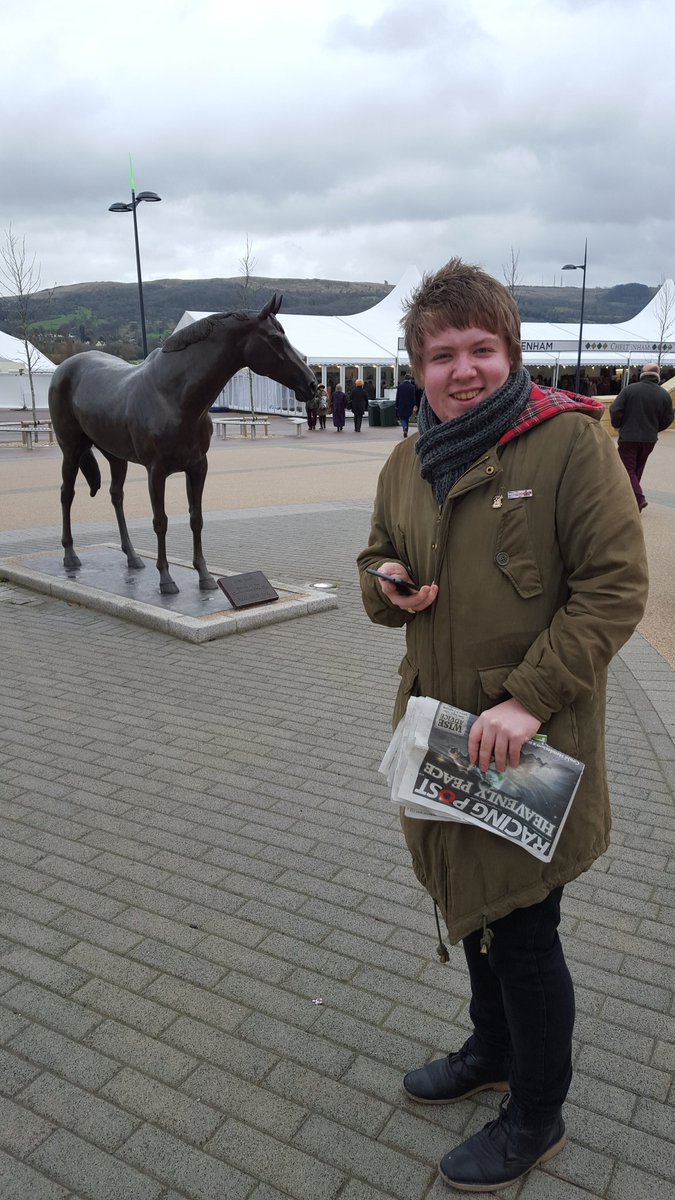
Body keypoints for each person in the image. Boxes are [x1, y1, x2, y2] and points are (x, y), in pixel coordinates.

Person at [357, 259, 648, 1193]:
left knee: (524, 931)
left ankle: (537, 1111)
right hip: (443, 739)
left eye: (482, 348)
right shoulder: (407, 460)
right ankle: (489, 1050)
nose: (463, 369)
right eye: (442, 354)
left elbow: (614, 590)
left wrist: (526, 697)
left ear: (510, 352)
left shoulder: (568, 442)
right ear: (418, 367)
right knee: (471, 911)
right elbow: (375, 558)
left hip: (530, 742)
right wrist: (386, 586)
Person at [610, 363, 673, 511]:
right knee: (637, 468)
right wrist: (655, 429)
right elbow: (668, 418)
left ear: (642, 374)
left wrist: (618, 425)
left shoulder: (629, 390)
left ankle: (638, 498)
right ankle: (630, 501)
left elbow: (616, 409)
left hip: (629, 437)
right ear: (657, 375)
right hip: (649, 439)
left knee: (626, 469)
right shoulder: (664, 395)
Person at [395, 371, 418, 437]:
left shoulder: (400, 386)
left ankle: (404, 427)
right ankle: (406, 431)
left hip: (401, 404)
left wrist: (396, 404)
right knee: (407, 418)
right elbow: (413, 397)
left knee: (401, 417)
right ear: (410, 379)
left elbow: (397, 396)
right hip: (409, 405)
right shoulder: (412, 387)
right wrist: (414, 404)